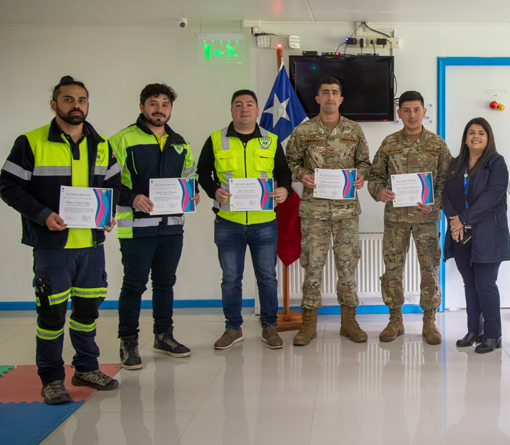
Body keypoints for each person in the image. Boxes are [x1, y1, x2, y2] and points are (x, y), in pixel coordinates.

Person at [0, 75, 121, 404]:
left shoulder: (103, 144)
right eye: (68, 100)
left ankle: (86, 367)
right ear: (54, 105)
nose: (75, 105)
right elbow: (8, 187)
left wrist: (109, 213)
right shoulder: (31, 142)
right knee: (51, 316)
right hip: (53, 248)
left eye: (81, 100)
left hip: (91, 247)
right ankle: (51, 378)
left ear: (88, 105)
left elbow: (115, 186)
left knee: (87, 312)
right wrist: (42, 215)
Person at [110, 83, 198, 369]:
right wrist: (132, 198)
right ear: (141, 107)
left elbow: (190, 176)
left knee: (165, 283)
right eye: (153, 103)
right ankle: (128, 342)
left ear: (170, 109)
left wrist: (192, 193)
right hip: (136, 227)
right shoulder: (121, 140)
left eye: (165, 104)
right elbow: (107, 184)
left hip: (172, 227)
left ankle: (163, 336)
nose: (159, 109)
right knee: (134, 285)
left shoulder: (180, 143)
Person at [198, 89, 292, 350]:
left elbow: (283, 172)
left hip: (264, 221)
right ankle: (232, 328)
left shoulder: (271, 140)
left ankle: (269, 327)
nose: (244, 109)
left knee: (267, 278)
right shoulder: (216, 139)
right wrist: (213, 190)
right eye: (238, 105)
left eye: (249, 105)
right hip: (229, 221)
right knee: (230, 278)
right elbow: (202, 173)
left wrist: (284, 189)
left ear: (257, 110)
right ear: (231, 110)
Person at [286, 76, 371, 346]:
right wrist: (302, 175)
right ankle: (308, 322)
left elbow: (365, 162)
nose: (331, 97)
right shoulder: (303, 131)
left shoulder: (354, 130)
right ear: (318, 98)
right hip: (315, 211)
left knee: (347, 266)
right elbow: (290, 161)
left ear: (341, 99)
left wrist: (362, 176)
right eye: (325, 92)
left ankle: (349, 321)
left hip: (346, 211)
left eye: (335, 92)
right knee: (312, 265)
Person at [368, 91, 452, 344]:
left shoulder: (437, 145)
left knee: (429, 270)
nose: (412, 115)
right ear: (399, 113)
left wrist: (435, 205)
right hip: (396, 220)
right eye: (406, 110)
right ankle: (395, 320)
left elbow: (447, 182)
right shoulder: (389, 143)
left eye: (417, 110)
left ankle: (429, 321)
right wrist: (378, 191)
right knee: (392, 270)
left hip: (426, 220)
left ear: (424, 112)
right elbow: (375, 176)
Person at [442, 117, 510, 354]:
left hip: (488, 234)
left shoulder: (496, 163)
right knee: (469, 283)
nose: (476, 136)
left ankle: (493, 334)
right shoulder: (456, 163)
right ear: (465, 137)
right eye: (471, 132)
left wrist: (463, 218)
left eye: (481, 132)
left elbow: (492, 198)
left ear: (488, 137)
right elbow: (446, 193)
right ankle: (474, 330)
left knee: (485, 283)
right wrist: (453, 219)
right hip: (460, 234)